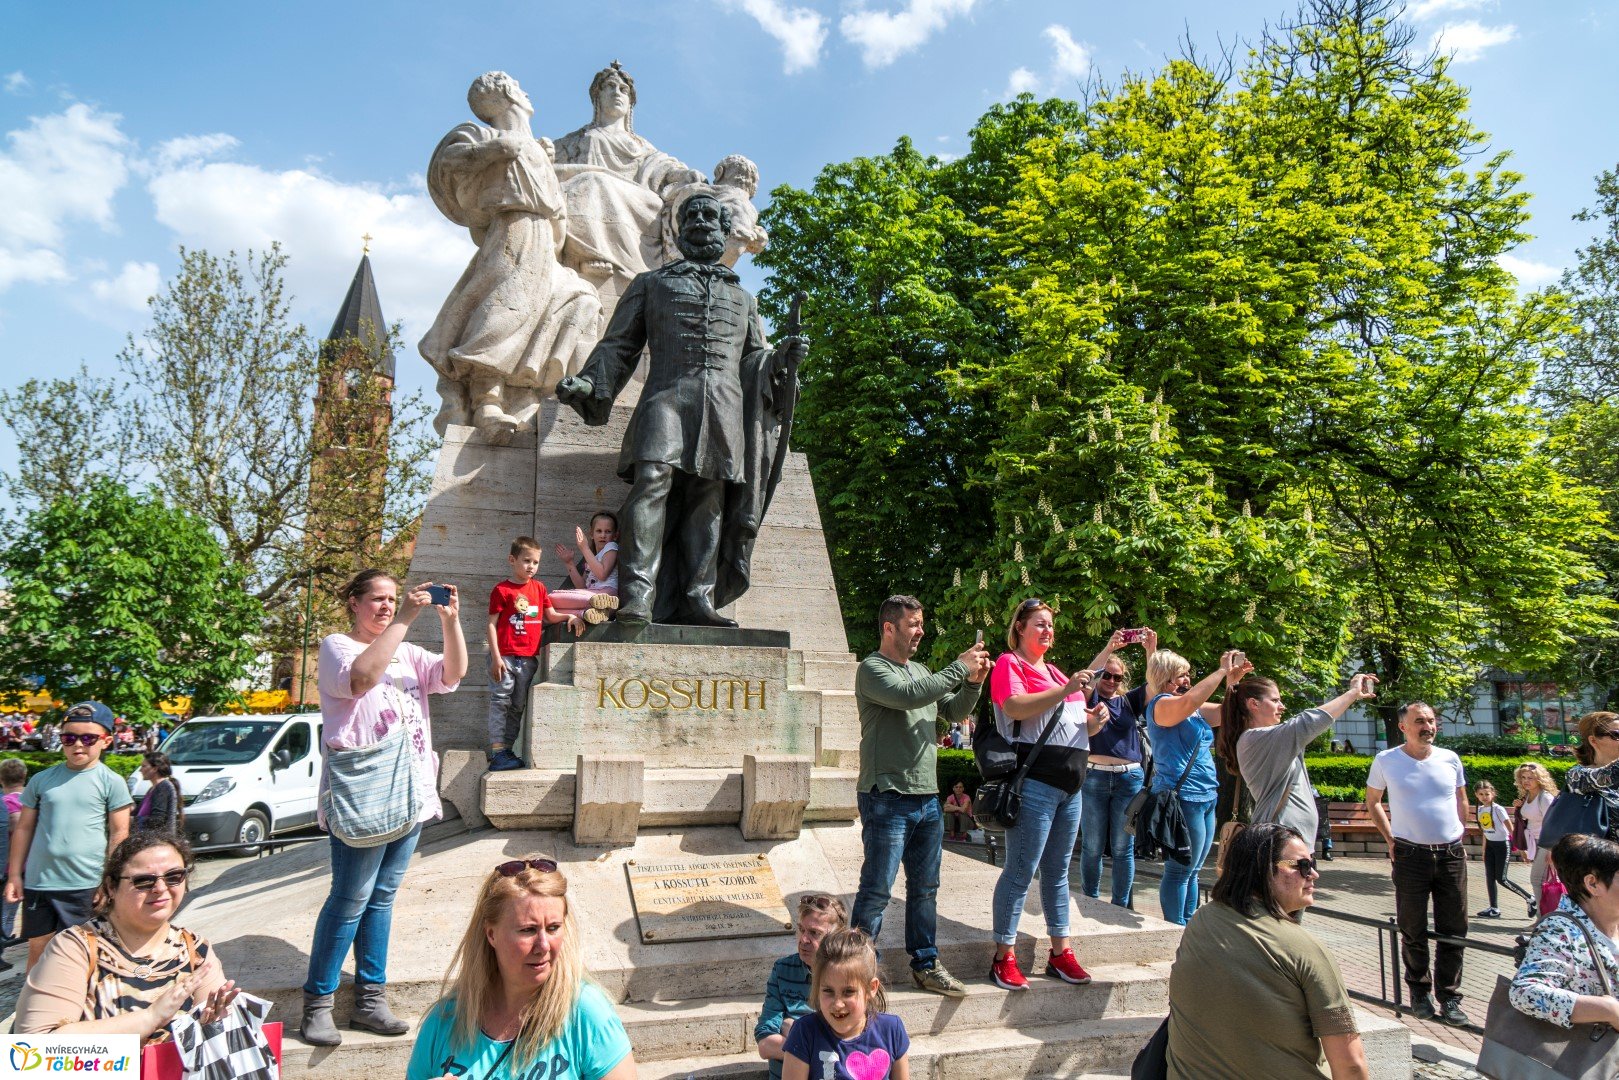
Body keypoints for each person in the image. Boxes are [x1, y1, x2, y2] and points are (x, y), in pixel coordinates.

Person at [557, 192, 805, 627]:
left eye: (710, 215)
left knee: (708, 499)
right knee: (652, 482)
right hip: (666, 398)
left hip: (724, 408)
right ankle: (637, 596)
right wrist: (592, 383)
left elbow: (754, 360)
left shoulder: (744, 298)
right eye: (691, 215)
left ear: (724, 230)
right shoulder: (650, 283)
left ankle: (698, 598)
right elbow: (619, 345)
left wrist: (780, 361)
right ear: (678, 230)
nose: (700, 221)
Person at [302, 569, 468, 1047]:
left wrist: (450, 621)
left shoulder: (409, 652)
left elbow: (453, 674)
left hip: (412, 790)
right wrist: (406, 619)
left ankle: (370, 1000)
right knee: (349, 898)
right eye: (377, 599)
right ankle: (318, 1003)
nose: (388, 606)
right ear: (354, 603)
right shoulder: (337, 646)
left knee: (382, 898)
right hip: (365, 793)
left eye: (394, 599)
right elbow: (361, 678)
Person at [421, 71, 601, 438]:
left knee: (581, 299)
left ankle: (541, 391)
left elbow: (555, 208)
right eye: (519, 87)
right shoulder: (483, 135)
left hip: (545, 241)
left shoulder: (539, 149)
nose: (526, 92)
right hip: (513, 228)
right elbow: (448, 162)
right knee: (505, 308)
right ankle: (487, 401)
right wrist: (496, 149)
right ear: (506, 93)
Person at [849, 595, 988, 998]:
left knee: (925, 888)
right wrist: (959, 667)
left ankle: (925, 964)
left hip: (927, 797)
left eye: (921, 624)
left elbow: (954, 710)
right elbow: (910, 696)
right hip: (887, 795)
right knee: (877, 890)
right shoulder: (872, 669)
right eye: (913, 624)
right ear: (889, 627)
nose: (921, 631)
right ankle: (855, 974)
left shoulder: (923, 671)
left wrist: (973, 682)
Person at [1166, 822, 1367, 1079]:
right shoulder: (1304, 949)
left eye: (1313, 863)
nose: (1313, 874)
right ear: (1262, 870)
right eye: (1302, 865)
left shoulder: (1202, 921)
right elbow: (1351, 1065)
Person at [406, 857, 635, 1080]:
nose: (543, 946)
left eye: (553, 928)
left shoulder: (587, 1014)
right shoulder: (444, 1020)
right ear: (491, 934)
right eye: (528, 930)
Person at [14, 833, 239, 1041]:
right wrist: (150, 1017)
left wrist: (214, 1025)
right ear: (111, 887)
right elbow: (35, 1048)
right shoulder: (76, 948)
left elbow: (220, 1040)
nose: (160, 888)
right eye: (144, 880)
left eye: (173, 876)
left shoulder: (194, 950)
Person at [987, 598, 1105, 991]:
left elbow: (1075, 727)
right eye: (1039, 623)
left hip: (1070, 788)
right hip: (1035, 783)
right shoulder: (1010, 664)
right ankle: (1003, 956)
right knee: (1021, 870)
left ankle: (1061, 952)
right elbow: (1014, 707)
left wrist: (1095, 722)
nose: (1047, 630)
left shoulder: (1054, 672)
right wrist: (1065, 690)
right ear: (1020, 628)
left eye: (1050, 625)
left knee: (1057, 873)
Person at [552, 61, 704, 306]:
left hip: (637, 203)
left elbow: (662, 166)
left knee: (594, 182)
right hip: (594, 194)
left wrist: (683, 175)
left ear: (631, 102)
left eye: (623, 90)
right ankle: (592, 252)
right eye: (610, 87)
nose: (617, 93)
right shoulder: (578, 139)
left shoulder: (640, 145)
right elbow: (547, 159)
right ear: (597, 96)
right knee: (590, 183)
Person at [1363, 701, 1470, 1026]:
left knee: (1455, 928)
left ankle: (1449, 996)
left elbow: (1461, 798)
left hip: (1451, 854)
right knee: (1412, 926)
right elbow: (1373, 801)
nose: (1428, 726)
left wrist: (1460, 833)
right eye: (1420, 721)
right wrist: (1390, 839)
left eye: (1431, 720)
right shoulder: (1386, 760)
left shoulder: (1450, 758)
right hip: (1410, 855)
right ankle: (1419, 991)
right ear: (1403, 727)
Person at [4, 700, 133, 971]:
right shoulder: (41, 780)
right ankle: (35, 998)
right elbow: (24, 828)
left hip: (86, 883)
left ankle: (82, 997)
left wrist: (110, 880)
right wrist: (15, 874)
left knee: (84, 949)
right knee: (38, 948)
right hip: (40, 882)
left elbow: (120, 834)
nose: (78, 745)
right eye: (69, 738)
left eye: (88, 738)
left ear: (106, 740)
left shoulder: (111, 781)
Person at [1219, 673, 1378, 847]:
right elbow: (1307, 722)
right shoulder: (1254, 738)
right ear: (1253, 704)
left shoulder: (1267, 738)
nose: (1282, 707)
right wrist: (1352, 693)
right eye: (1275, 700)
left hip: (1289, 841)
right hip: (1280, 841)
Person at [1146, 648, 1246, 926]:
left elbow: (1230, 714)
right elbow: (1190, 700)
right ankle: (1174, 926)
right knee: (1180, 869)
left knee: (1194, 870)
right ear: (1166, 677)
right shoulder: (1161, 705)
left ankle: (1189, 925)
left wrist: (1233, 683)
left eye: (1188, 674)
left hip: (1207, 795)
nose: (1188, 679)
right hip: (1182, 797)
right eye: (1182, 674)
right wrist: (1222, 670)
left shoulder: (1194, 710)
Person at [487, 536, 583, 773]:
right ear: (512, 560)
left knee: (517, 706)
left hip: (528, 659)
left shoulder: (539, 589)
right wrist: (495, 657)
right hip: (505, 657)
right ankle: (497, 751)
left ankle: (507, 750)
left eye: (535, 562)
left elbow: (550, 616)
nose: (531, 566)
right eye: (526, 561)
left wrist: (570, 616)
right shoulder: (502, 590)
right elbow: (491, 625)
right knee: (501, 701)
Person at [1508, 833, 1619, 1030]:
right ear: (1593, 883)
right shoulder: (1561, 930)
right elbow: (1524, 992)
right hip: (1595, 1047)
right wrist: (1608, 1010)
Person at [1079, 630, 1154, 908]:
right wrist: (1110, 647)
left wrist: (1151, 650)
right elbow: (1087, 678)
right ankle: (1090, 900)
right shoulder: (1088, 699)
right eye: (1107, 675)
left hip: (1128, 779)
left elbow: (1156, 684)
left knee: (1123, 849)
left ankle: (1120, 907)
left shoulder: (1128, 702)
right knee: (1092, 846)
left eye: (1117, 677)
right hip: (1093, 777)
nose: (1111, 681)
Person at [782, 928, 911, 1080]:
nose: (838, 1004)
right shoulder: (804, 1032)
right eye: (828, 991)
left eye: (848, 992)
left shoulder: (891, 1030)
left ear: (871, 988)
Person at [756, 893, 848, 1079]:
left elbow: (850, 1044)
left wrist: (793, 1029)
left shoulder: (849, 975)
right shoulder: (783, 970)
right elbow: (765, 1044)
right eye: (801, 930)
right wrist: (816, 1049)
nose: (804, 939)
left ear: (836, 937)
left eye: (814, 933)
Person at [1474, 780, 1531, 918]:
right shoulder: (1480, 809)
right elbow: (1485, 831)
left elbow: (1511, 829)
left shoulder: (1498, 809)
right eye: (1481, 794)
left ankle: (1529, 898)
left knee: (1502, 879)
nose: (1484, 797)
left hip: (1502, 845)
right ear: (1476, 795)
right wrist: (1484, 850)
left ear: (1493, 794)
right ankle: (1494, 908)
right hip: (1490, 846)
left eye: (1487, 794)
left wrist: (1521, 849)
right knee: (1489, 877)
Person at [552, 512, 621, 624]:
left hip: (606, 593)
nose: (603, 535)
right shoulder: (592, 557)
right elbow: (582, 587)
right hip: (592, 597)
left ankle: (605, 603)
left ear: (615, 536)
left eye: (608, 531)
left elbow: (602, 574)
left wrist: (584, 548)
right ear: (591, 534)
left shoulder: (611, 547)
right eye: (599, 531)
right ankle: (585, 614)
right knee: (550, 609)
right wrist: (569, 563)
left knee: (551, 598)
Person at [1563, 711, 1619, 842]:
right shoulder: (1577, 774)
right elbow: (1606, 775)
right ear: (1593, 740)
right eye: (1616, 735)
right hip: (1598, 853)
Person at [1513, 761, 1560, 907]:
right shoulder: (1527, 796)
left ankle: (1542, 916)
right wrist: (1519, 807)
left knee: (1536, 879)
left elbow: (1554, 824)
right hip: (1534, 842)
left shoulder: (1545, 797)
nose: (1526, 781)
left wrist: (1552, 850)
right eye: (1523, 777)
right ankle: (1547, 914)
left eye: (1530, 778)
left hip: (1546, 844)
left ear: (1539, 779)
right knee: (1542, 880)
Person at [1, 756, 27, 948]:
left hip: (8, 867)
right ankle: (7, 938)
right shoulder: (31, 802)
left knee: (4, 912)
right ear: (24, 776)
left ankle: (3, 943)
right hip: (27, 866)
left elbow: (15, 824)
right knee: (11, 911)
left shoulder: (5, 803)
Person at [135, 753, 184, 836]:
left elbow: (157, 820)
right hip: (149, 839)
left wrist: (135, 820)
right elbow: (137, 812)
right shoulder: (152, 789)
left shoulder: (163, 787)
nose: (140, 770)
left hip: (159, 840)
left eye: (144, 766)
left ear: (155, 768)